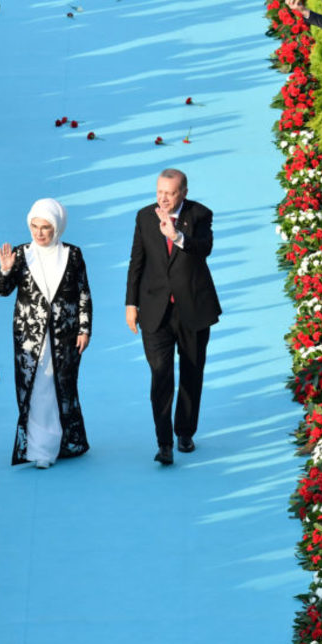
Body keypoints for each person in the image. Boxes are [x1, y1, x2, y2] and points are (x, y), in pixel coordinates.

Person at [125, 169, 221, 465]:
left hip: (193, 308)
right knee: (161, 375)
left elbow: (204, 249)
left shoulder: (201, 215)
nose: (162, 198)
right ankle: (164, 443)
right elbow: (136, 262)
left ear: (184, 193)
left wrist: (177, 236)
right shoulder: (144, 217)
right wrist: (131, 304)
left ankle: (185, 432)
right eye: (159, 192)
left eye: (169, 193)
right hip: (155, 311)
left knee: (192, 373)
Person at [0, 198, 91, 468]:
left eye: (45, 227)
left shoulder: (72, 254)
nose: (39, 232)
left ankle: (63, 442)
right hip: (29, 338)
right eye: (34, 226)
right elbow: (1, 290)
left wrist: (84, 329)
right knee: (35, 388)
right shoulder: (21, 254)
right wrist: (5, 269)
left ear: (57, 227)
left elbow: (83, 293)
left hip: (65, 336)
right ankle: (39, 448)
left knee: (61, 387)